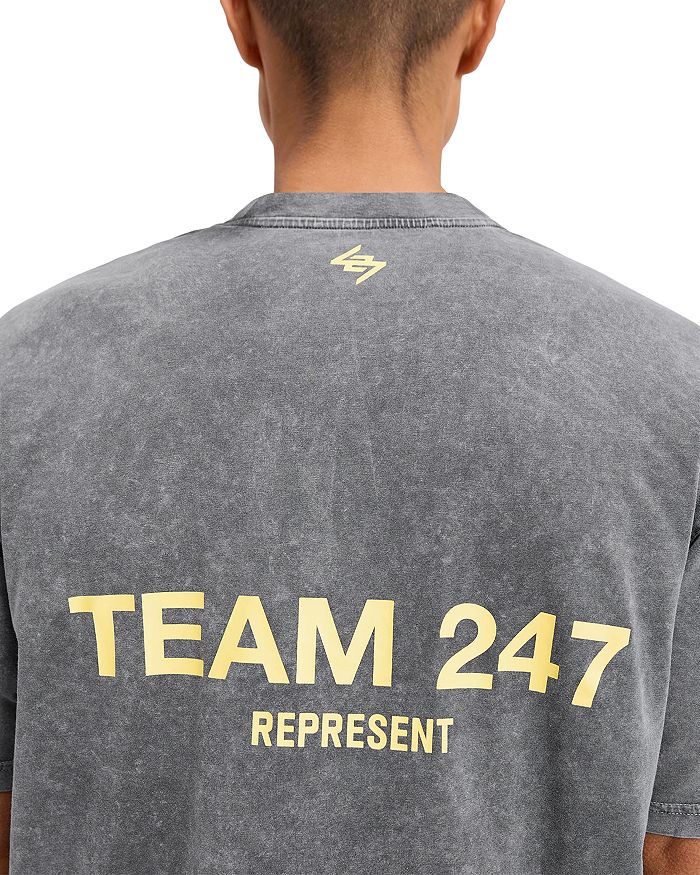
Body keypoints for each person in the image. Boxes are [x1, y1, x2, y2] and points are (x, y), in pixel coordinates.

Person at [0, 0, 698, 872]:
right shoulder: (676, 389)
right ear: (481, 24)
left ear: (241, 21)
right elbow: (677, 849)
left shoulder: (26, 374)